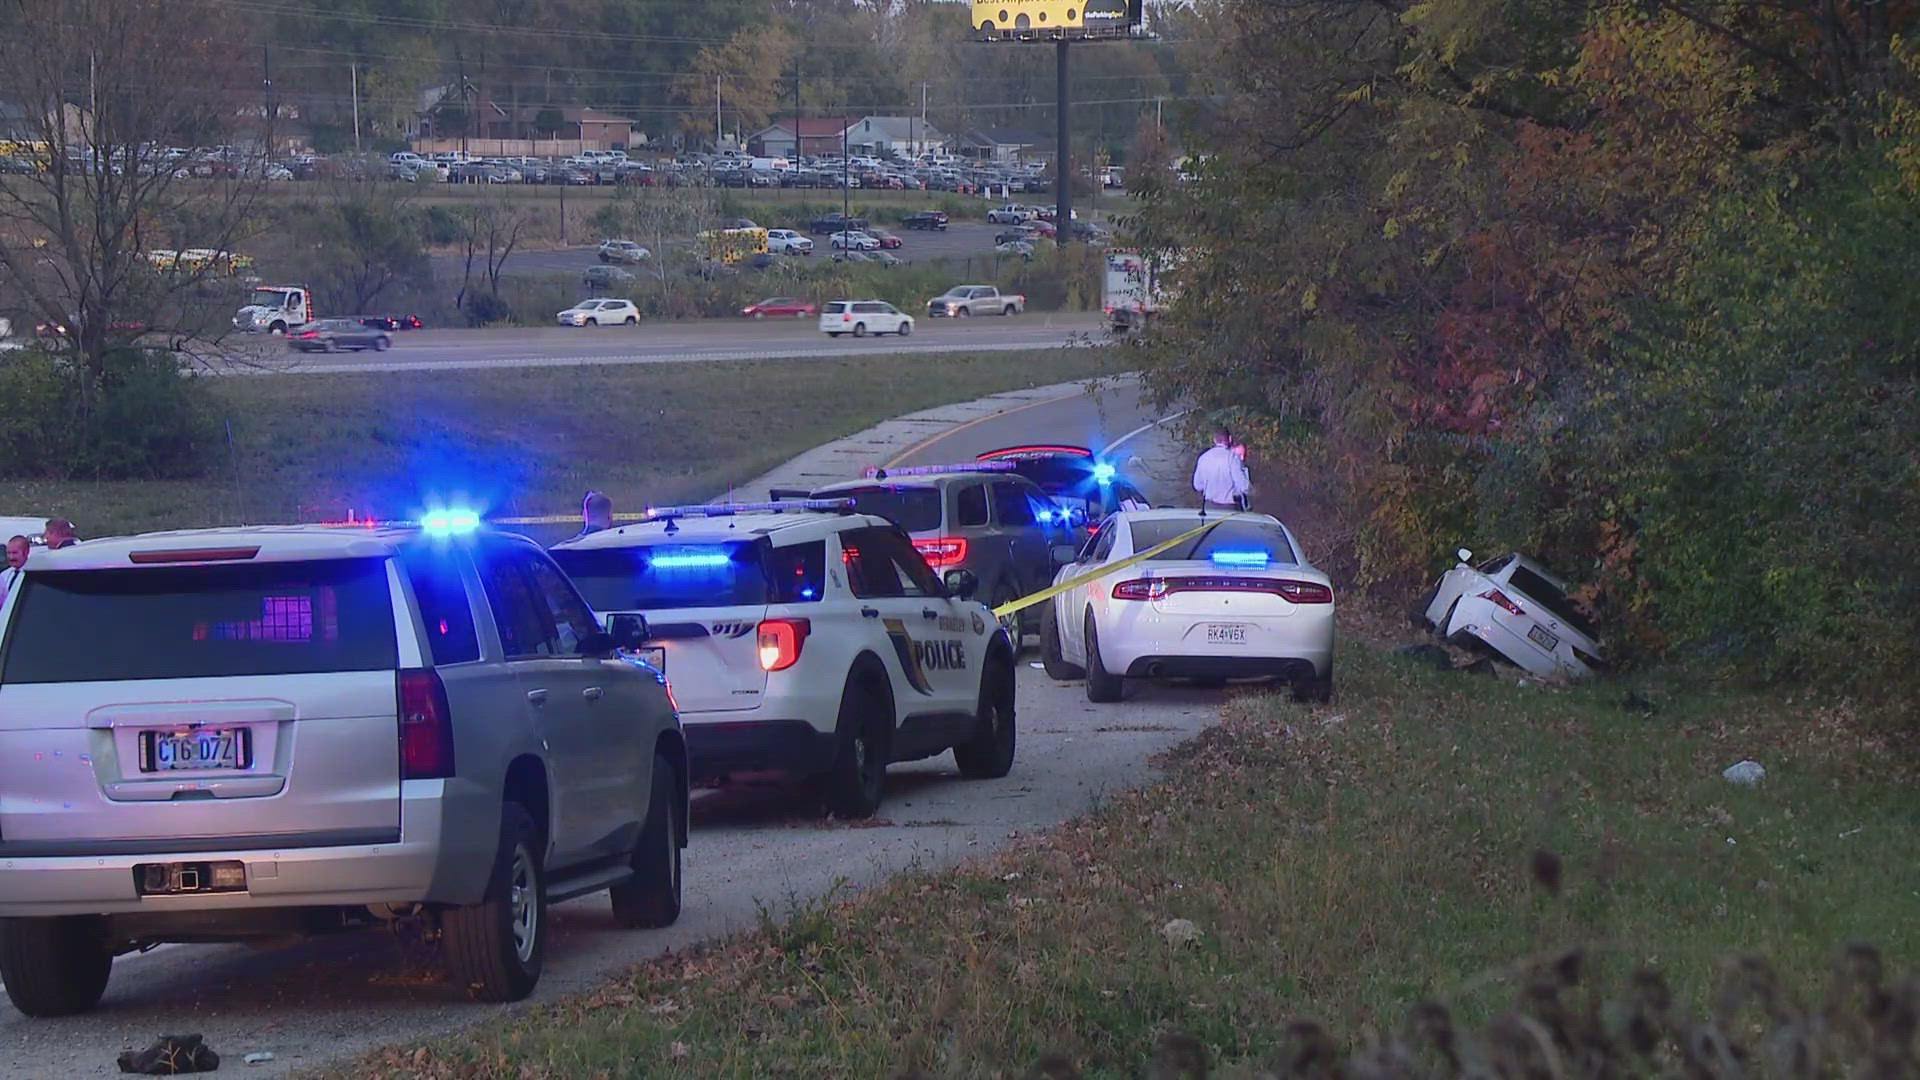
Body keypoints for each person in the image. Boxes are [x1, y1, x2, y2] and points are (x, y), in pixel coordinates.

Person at [1192, 427, 1251, 511]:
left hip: (1209, 507)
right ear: (1230, 439)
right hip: (1230, 507)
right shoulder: (1232, 458)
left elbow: (1197, 485)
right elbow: (1243, 486)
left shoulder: (1203, 457)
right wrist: (1255, 492)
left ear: (1214, 440)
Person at [0, 535, 26, 607]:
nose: (11, 557)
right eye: (9, 553)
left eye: (14, 553)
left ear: (26, 552)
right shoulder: (3, 575)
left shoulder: (33, 574)